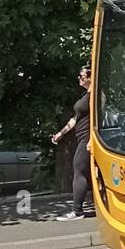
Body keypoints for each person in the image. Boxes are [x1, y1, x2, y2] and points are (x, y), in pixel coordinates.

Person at [51, 65, 93, 219]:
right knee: (86, 172)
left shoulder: (95, 96)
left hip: (88, 139)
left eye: (81, 75)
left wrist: (92, 140)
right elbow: (75, 118)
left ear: (90, 76)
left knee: (79, 170)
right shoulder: (85, 96)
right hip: (82, 137)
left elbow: (98, 118)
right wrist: (60, 134)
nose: (78, 77)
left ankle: (77, 211)